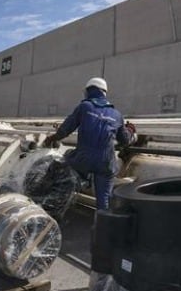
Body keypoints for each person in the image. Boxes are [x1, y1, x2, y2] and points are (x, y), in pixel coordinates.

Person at [42, 77, 136, 210]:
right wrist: (131, 130)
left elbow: (65, 129)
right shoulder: (117, 114)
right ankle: (103, 224)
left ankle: (49, 202)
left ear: (90, 91)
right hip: (105, 162)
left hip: (82, 159)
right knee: (104, 199)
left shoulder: (84, 107)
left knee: (60, 163)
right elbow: (125, 140)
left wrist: (51, 138)